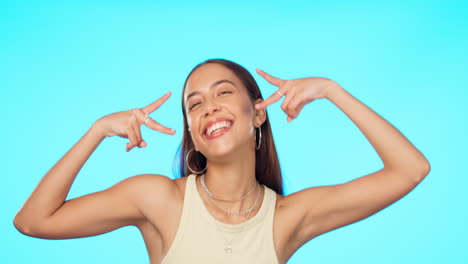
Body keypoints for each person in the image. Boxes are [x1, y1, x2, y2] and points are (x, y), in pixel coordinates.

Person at [13, 59, 431, 264]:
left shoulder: (287, 217)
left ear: (259, 112)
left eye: (223, 93)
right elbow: (33, 221)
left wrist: (332, 91)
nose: (208, 108)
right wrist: (97, 131)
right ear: (192, 132)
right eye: (194, 105)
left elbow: (411, 169)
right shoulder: (157, 199)